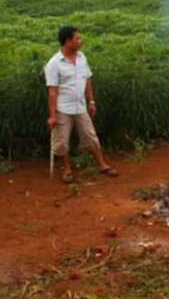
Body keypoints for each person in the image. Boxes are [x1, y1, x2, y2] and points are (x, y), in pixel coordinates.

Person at [44, 26, 119, 183]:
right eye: (77, 38)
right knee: (62, 141)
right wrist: (52, 116)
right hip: (63, 108)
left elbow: (87, 79)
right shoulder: (54, 63)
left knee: (90, 136)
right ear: (67, 41)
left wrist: (91, 101)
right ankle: (66, 169)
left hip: (81, 106)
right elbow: (52, 91)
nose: (80, 41)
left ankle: (102, 165)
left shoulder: (81, 57)